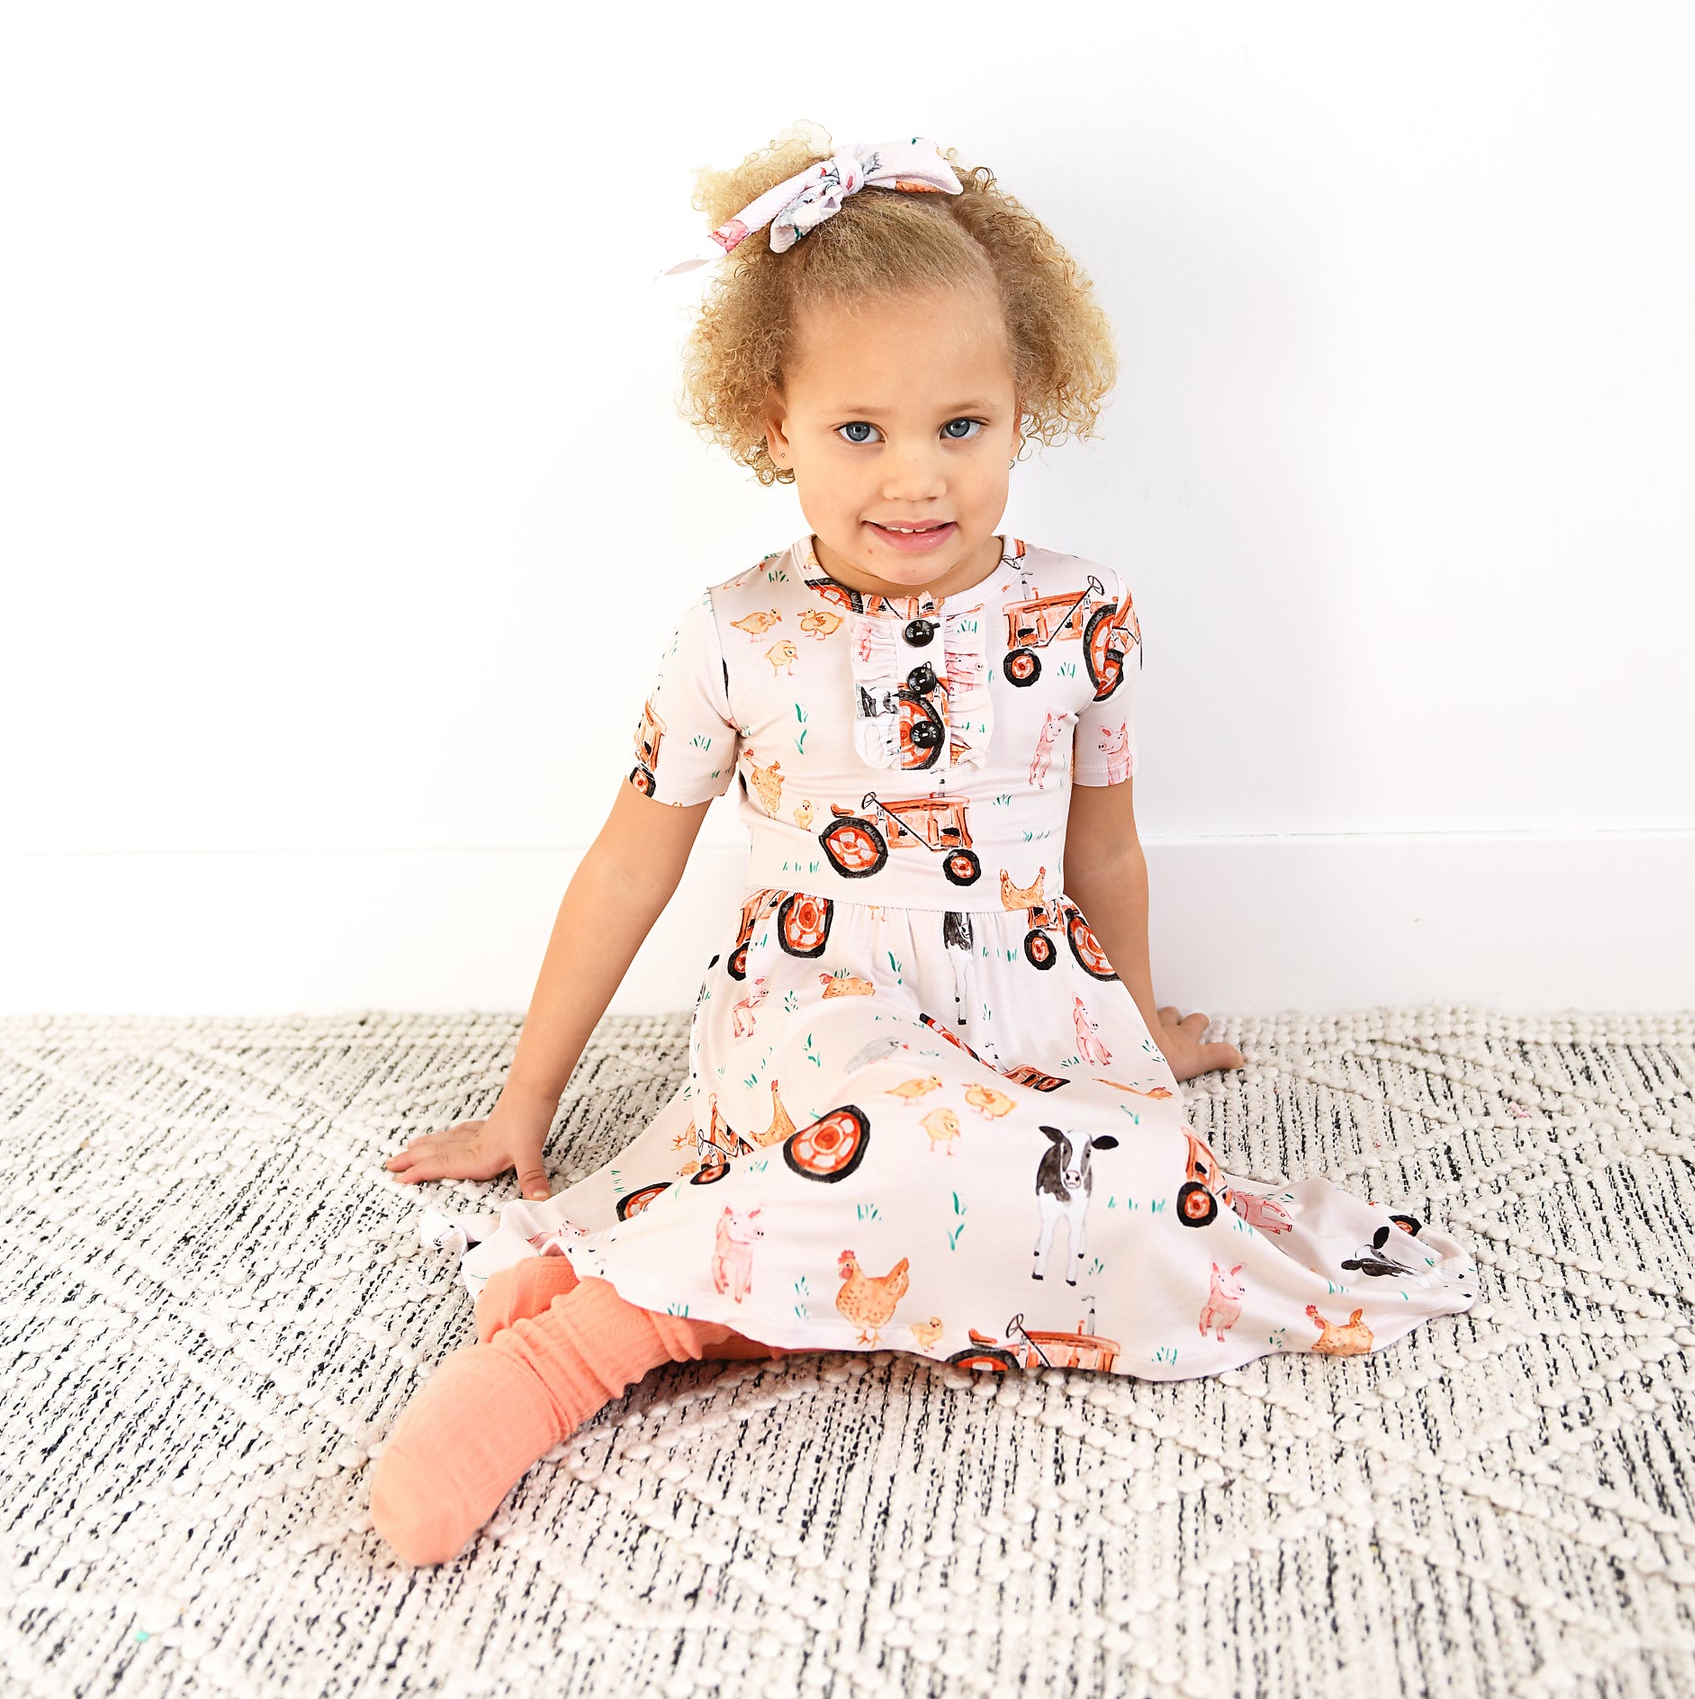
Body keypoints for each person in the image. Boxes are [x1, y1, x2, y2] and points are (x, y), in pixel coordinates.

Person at [370, 126, 1478, 1566]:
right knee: (904, 1134)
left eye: (963, 426)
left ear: (1027, 410)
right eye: (859, 432)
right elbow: (629, 865)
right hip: (816, 1008)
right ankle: (592, 1341)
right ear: (773, 422)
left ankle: (712, 1288)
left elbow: (1107, 851)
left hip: (1029, 1004)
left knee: (1138, 1185)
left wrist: (1135, 1025)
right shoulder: (735, 631)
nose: (915, 479)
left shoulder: (1082, 614)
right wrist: (527, 1103)